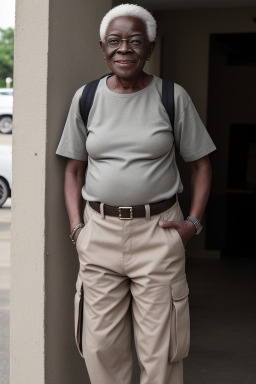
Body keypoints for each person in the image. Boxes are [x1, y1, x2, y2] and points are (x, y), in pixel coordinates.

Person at [56, 4, 216, 384]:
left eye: (134, 41)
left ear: (149, 47)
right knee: (100, 349)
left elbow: (201, 165)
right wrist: (78, 229)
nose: (124, 49)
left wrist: (193, 223)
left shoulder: (172, 97)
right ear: (102, 47)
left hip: (159, 233)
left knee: (161, 352)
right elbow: (73, 170)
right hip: (99, 234)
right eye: (115, 41)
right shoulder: (87, 97)